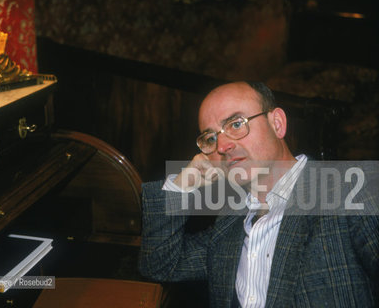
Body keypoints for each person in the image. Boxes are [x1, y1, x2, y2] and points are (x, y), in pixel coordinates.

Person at [138, 81, 378, 307]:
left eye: (236, 124)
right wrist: (181, 186)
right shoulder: (229, 225)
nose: (222, 146)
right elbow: (160, 265)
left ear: (278, 123)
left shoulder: (351, 192)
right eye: (211, 138)